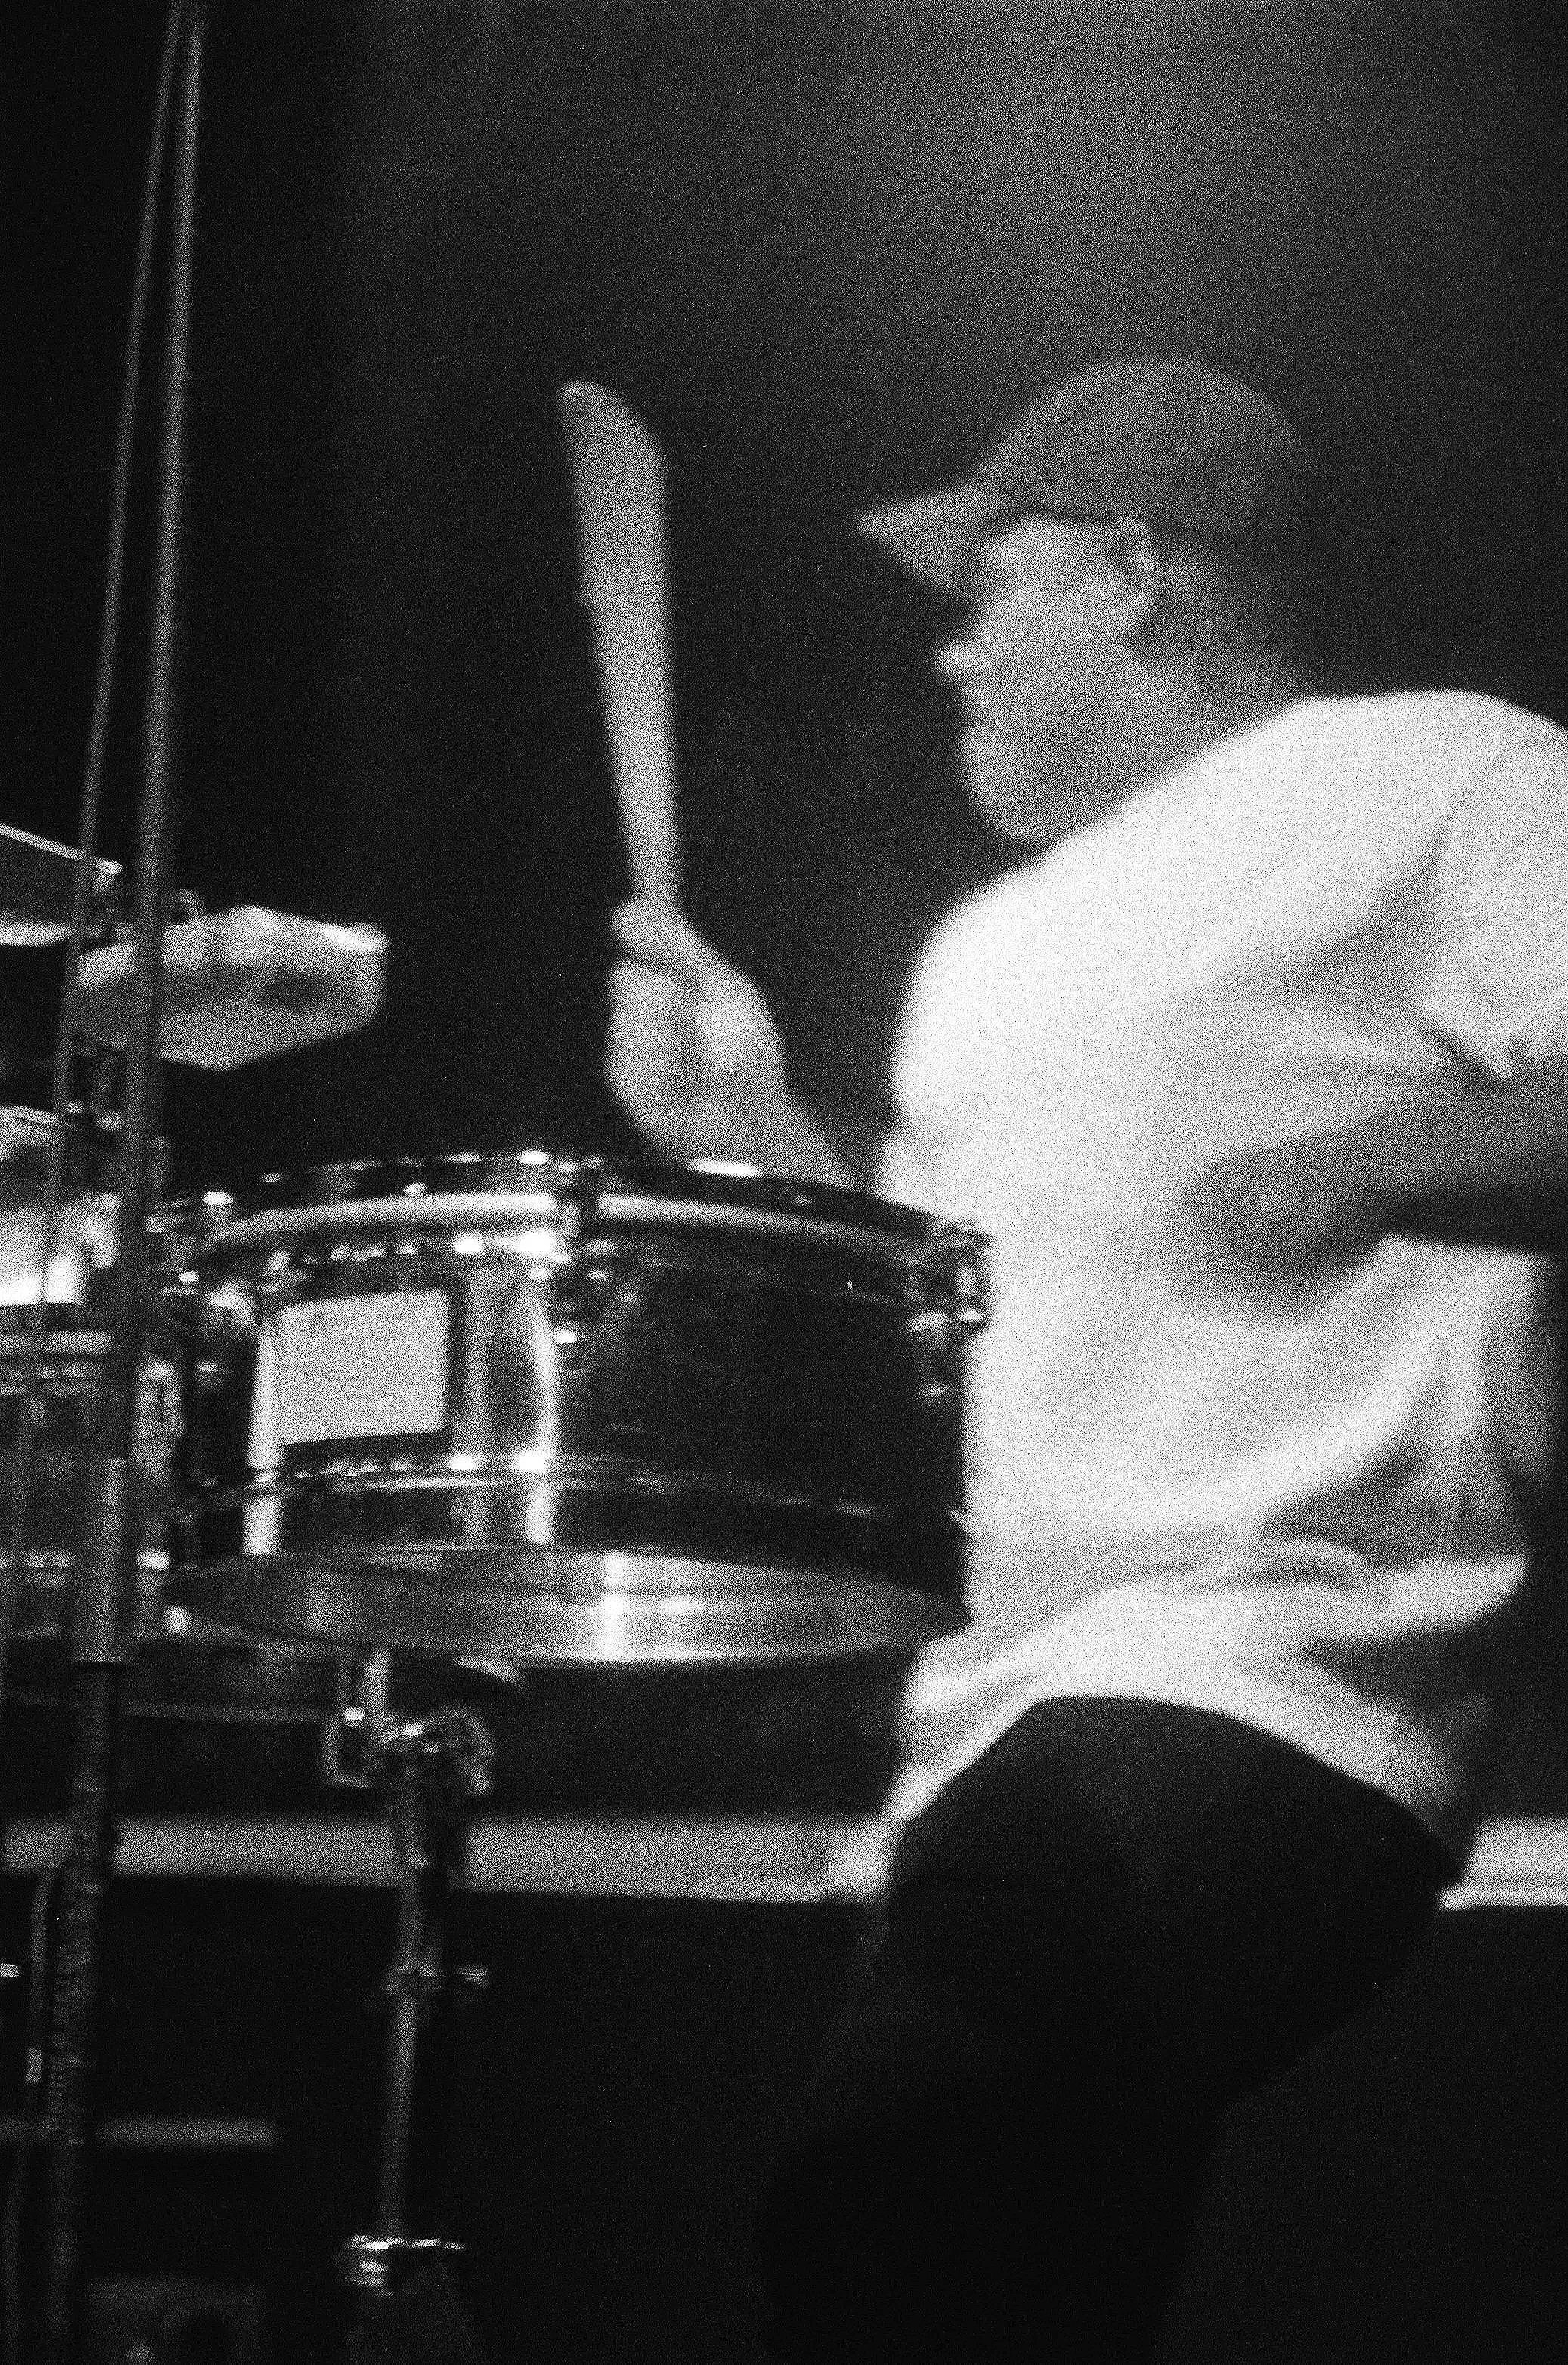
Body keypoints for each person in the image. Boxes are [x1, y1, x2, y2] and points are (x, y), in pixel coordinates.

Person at [603, 355, 1568, 2360]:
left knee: (890, 2211)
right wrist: (749, 1135)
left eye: (994, 585)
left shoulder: (1441, 776)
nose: (954, 654)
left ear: (1137, 572)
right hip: (995, 1718)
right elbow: (941, 1312)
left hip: (1263, 1667)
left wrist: (1379, 1152)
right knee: (1009, 2280)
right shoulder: (984, 951)